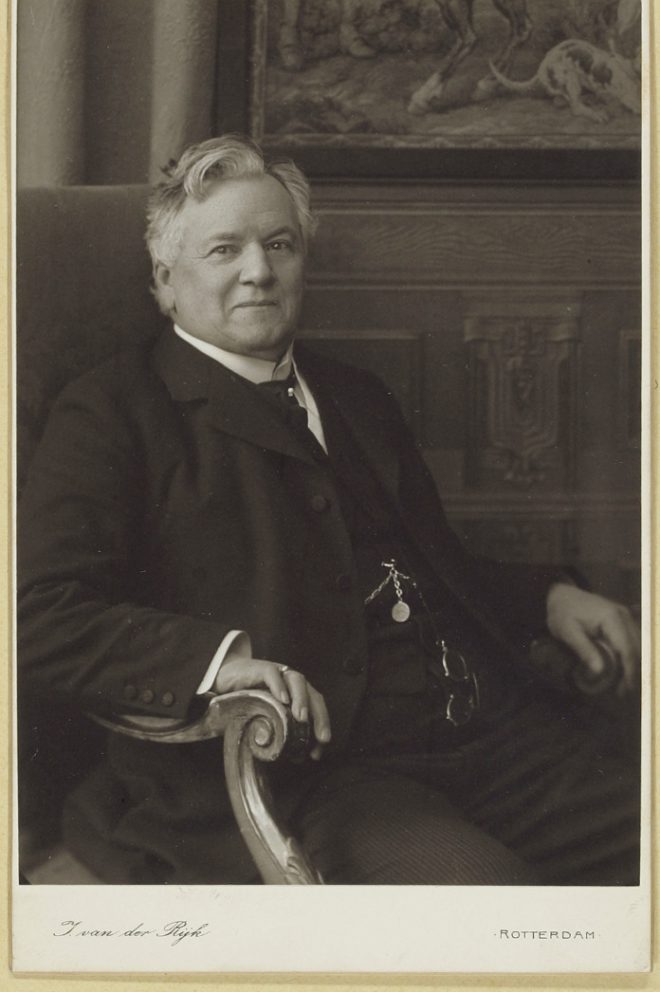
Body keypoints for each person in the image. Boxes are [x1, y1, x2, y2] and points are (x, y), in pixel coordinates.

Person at [18, 134, 641, 886]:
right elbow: (35, 613)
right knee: (484, 905)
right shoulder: (111, 413)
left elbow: (430, 570)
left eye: (279, 244)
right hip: (315, 778)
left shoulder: (356, 395)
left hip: (492, 742)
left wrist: (548, 597)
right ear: (165, 280)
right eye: (224, 250)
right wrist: (217, 661)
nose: (259, 271)